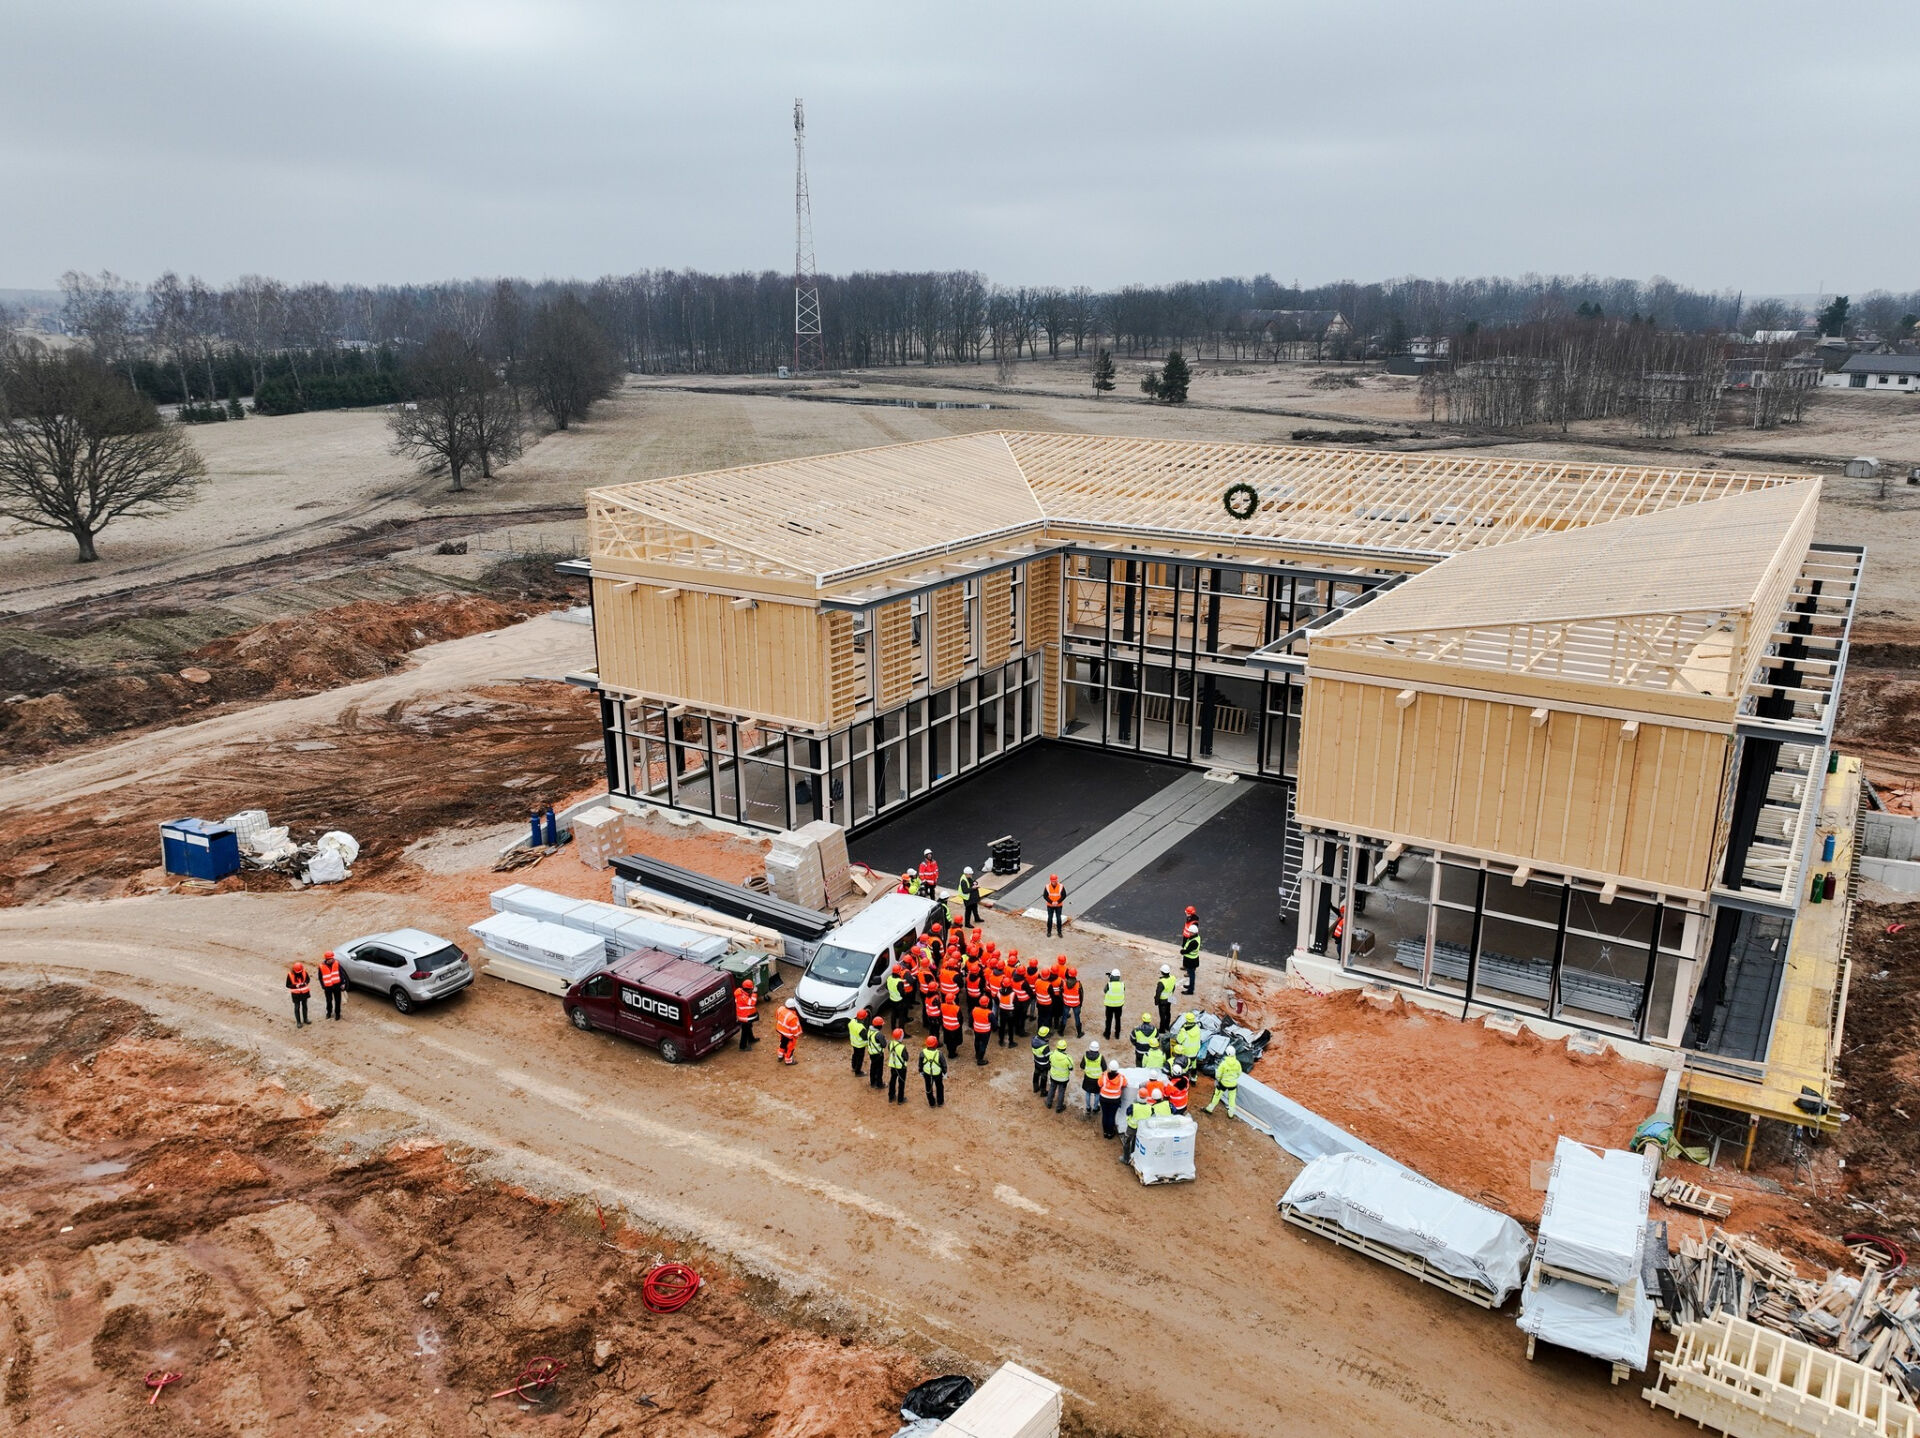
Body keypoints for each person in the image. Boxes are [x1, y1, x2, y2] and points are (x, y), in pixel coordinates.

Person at [1122, 1082, 1154, 1165]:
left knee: (1127, 1142)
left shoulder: (1133, 1106)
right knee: (1136, 1142)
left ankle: (1126, 1158)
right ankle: (1134, 1155)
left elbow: (1128, 1113)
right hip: (1142, 1129)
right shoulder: (1150, 1107)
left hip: (1132, 1127)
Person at [1205, 1048, 1242, 1117]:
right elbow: (1239, 1073)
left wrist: (1219, 1080)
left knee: (1217, 1095)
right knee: (1232, 1098)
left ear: (1227, 1053)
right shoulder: (1237, 1063)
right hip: (1233, 1084)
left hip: (1223, 1083)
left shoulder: (1224, 1064)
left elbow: (1218, 1074)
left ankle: (1210, 1109)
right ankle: (1231, 1114)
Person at [1098, 1061, 1127, 1139]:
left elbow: (1099, 1084)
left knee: (1105, 1115)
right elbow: (1125, 1084)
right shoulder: (1121, 1078)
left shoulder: (1104, 1076)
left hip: (1104, 1098)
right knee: (1111, 1115)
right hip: (1114, 1100)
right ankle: (1110, 1133)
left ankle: (1105, 1132)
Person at [1047, 1039, 1073, 1113]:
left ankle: (1049, 1103)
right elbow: (1071, 1068)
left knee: (1052, 1089)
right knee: (1061, 1092)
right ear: (1065, 1048)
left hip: (1054, 1076)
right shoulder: (1068, 1058)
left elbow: (1049, 1061)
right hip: (1063, 1079)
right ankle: (1059, 1107)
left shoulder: (1052, 1054)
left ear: (1057, 1047)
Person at [921, 1036, 947, 1108]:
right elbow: (943, 1064)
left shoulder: (923, 1052)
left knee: (928, 1087)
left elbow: (920, 1063)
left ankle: (931, 1103)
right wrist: (945, 1073)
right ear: (936, 1044)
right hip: (937, 1073)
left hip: (927, 1073)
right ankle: (940, 1102)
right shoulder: (939, 1053)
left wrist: (920, 1070)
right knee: (939, 1087)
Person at [318, 951, 344, 1021]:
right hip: (328, 987)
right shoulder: (321, 967)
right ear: (326, 959)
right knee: (329, 1001)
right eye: (330, 959)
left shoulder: (337, 963)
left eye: (332, 958)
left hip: (337, 985)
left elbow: (341, 974)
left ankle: (337, 1014)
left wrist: (342, 983)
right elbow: (320, 977)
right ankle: (329, 1012)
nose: (331, 960)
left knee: (338, 1001)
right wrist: (323, 986)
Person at [1079, 1041, 1104, 1117]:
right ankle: (1095, 1108)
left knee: (1088, 1093)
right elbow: (1105, 1068)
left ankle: (1088, 1107)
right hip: (1097, 1079)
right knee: (1097, 1094)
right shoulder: (1100, 1057)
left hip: (1088, 1078)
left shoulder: (1085, 1056)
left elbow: (1082, 1066)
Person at [733, 978, 759, 1048]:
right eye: (751, 989)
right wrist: (754, 993)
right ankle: (742, 1046)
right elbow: (752, 1002)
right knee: (745, 1032)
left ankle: (751, 1039)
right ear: (748, 989)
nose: (752, 990)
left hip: (746, 1015)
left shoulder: (741, 992)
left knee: (748, 1028)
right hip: (744, 1017)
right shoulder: (743, 997)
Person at [1180, 912, 1202, 996]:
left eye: (1190, 932)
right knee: (1191, 974)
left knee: (1191, 975)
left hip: (1191, 960)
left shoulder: (1194, 941)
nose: (1189, 933)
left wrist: (1182, 951)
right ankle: (1190, 986)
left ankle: (1190, 990)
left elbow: (1187, 950)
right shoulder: (1196, 937)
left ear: (1193, 933)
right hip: (1193, 959)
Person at [776, 999, 802, 1065]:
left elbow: (777, 1017)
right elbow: (794, 1029)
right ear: (793, 1007)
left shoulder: (780, 1009)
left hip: (781, 1031)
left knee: (783, 1043)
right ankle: (788, 1061)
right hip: (789, 1035)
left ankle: (780, 1056)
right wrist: (796, 1036)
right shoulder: (793, 1017)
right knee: (790, 1048)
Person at [886, 1028, 909, 1103]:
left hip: (893, 1066)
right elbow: (906, 1058)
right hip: (901, 1068)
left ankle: (891, 1096)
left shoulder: (890, 1043)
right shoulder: (902, 1047)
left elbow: (889, 1050)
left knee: (892, 1080)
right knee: (901, 1083)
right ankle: (900, 1099)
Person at [285, 961, 312, 1027]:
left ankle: (305, 1019)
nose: (299, 973)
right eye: (298, 972)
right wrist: (295, 986)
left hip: (304, 993)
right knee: (297, 1008)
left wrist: (305, 983)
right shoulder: (290, 975)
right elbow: (288, 985)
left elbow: (308, 979)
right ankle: (298, 1022)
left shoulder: (304, 972)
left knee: (304, 1006)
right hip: (296, 994)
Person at [885, 963, 909, 1033]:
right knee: (901, 1017)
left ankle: (893, 1028)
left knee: (893, 1014)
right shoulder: (899, 981)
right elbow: (902, 993)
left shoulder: (889, 978)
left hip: (892, 999)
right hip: (899, 1001)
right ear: (898, 972)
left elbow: (887, 987)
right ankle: (902, 1031)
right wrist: (905, 996)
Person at [1102, 969, 1126, 1039]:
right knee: (1118, 1019)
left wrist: (1110, 981)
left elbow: (1104, 991)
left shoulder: (1109, 984)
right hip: (1119, 1006)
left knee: (1108, 1020)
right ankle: (1117, 1034)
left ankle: (1107, 1034)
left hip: (1109, 1005)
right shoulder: (1122, 984)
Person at [1060, 967, 1083, 1037]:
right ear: (1075, 975)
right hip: (1076, 1004)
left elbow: (1061, 992)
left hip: (1066, 1003)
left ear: (1068, 974)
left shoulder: (1063, 983)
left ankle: (1061, 1032)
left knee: (1064, 1017)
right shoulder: (1078, 984)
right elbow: (1081, 995)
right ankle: (1079, 1033)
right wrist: (1080, 1004)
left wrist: (1063, 1000)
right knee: (1077, 1017)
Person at [1030, 1025, 1052, 1095]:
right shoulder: (1045, 1046)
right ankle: (1043, 1091)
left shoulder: (1033, 1040)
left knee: (1036, 1074)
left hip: (1036, 1061)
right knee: (1044, 1077)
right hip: (1044, 1064)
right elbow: (1048, 1056)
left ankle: (1035, 1088)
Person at [1154, 964, 1177, 1033]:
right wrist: (1171, 993)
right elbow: (1173, 987)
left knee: (1162, 1016)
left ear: (1162, 972)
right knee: (1168, 1013)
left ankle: (1162, 1030)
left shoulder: (1161, 982)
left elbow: (1158, 993)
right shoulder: (1173, 978)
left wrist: (1156, 1002)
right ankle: (1167, 1026)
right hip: (1169, 998)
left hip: (1163, 1001)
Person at [847, 1008, 870, 1075]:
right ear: (863, 1019)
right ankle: (858, 1072)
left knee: (855, 1055)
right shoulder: (861, 1028)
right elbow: (865, 1037)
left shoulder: (852, 1021)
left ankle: (854, 1067)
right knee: (860, 1058)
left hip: (854, 1043)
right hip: (860, 1045)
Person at [970, 997, 993, 1065]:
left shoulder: (974, 1010)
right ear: (987, 1004)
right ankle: (980, 1060)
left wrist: (972, 1026)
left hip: (976, 1029)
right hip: (985, 1031)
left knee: (977, 1041)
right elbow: (994, 1023)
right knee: (983, 1044)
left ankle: (977, 1054)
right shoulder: (989, 1013)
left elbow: (971, 1020)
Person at [866, 1016, 886, 1089]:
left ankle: (872, 1082)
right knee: (879, 1070)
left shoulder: (869, 1031)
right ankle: (879, 1084)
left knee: (873, 1067)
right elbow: (884, 1045)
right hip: (878, 1055)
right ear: (879, 1026)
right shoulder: (879, 1034)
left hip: (871, 1053)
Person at [1044, 873, 1066, 937]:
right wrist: (1051, 902)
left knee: (1059, 919)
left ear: (1057, 880)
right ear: (1050, 880)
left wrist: (1057, 902)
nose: (1054, 882)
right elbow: (1045, 896)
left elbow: (1064, 895)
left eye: (1055, 881)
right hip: (1050, 906)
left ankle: (1059, 932)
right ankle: (1049, 932)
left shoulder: (1061, 886)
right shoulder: (1047, 886)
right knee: (1050, 919)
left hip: (1058, 906)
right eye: (1053, 881)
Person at [940, 993, 962, 1058]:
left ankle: (950, 1051)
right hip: (955, 1027)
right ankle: (952, 1053)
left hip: (946, 1026)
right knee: (954, 1041)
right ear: (953, 1000)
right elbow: (960, 1019)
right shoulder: (957, 1008)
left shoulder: (942, 1006)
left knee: (948, 1040)